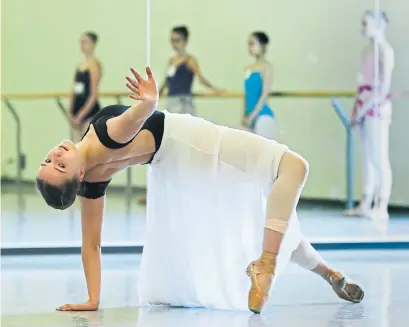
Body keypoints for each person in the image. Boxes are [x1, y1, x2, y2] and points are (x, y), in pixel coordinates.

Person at [36, 67, 363, 313]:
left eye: (48, 159)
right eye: (59, 165)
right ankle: (266, 263)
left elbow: (91, 245)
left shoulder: (90, 183)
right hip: (189, 142)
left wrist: (93, 300)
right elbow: (144, 111)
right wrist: (149, 97)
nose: (57, 153)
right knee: (294, 167)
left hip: (174, 170)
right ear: (78, 174)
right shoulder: (107, 132)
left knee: (258, 212)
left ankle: (327, 273)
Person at [344, 11, 394, 220]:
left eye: (366, 23)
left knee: (379, 156)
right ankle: (366, 201)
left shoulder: (385, 51)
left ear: (378, 24)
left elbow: (383, 87)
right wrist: (357, 108)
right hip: (364, 103)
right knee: (366, 157)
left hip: (377, 108)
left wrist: (367, 107)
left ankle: (382, 204)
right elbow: (361, 82)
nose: (362, 27)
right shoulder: (366, 50)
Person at [158, 25, 222, 115]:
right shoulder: (171, 61)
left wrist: (215, 89)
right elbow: (166, 81)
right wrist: (156, 95)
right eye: (172, 41)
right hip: (171, 100)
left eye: (177, 41)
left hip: (184, 101)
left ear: (185, 42)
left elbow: (201, 79)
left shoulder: (190, 60)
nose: (174, 44)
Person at [69, 32, 102, 142]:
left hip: (89, 112)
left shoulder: (94, 65)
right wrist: (71, 111)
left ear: (93, 44)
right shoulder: (80, 65)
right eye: (81, 42)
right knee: (75, 146)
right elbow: (74, 91)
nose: (82, 45)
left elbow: (93, 94)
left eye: (85, 42)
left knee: (87, 145)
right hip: (76, 110)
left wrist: (81, 115)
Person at [243, 32, 275, 140]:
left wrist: (252, 116)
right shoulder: (248, 68)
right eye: (249, 44)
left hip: (262, 116)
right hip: (249, 117)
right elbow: (246, 95)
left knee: (262, 154)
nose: (250, 47)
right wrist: (245, 116)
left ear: (262, 46)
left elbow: (264, 95)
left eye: (252, 44)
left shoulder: (267, 67)